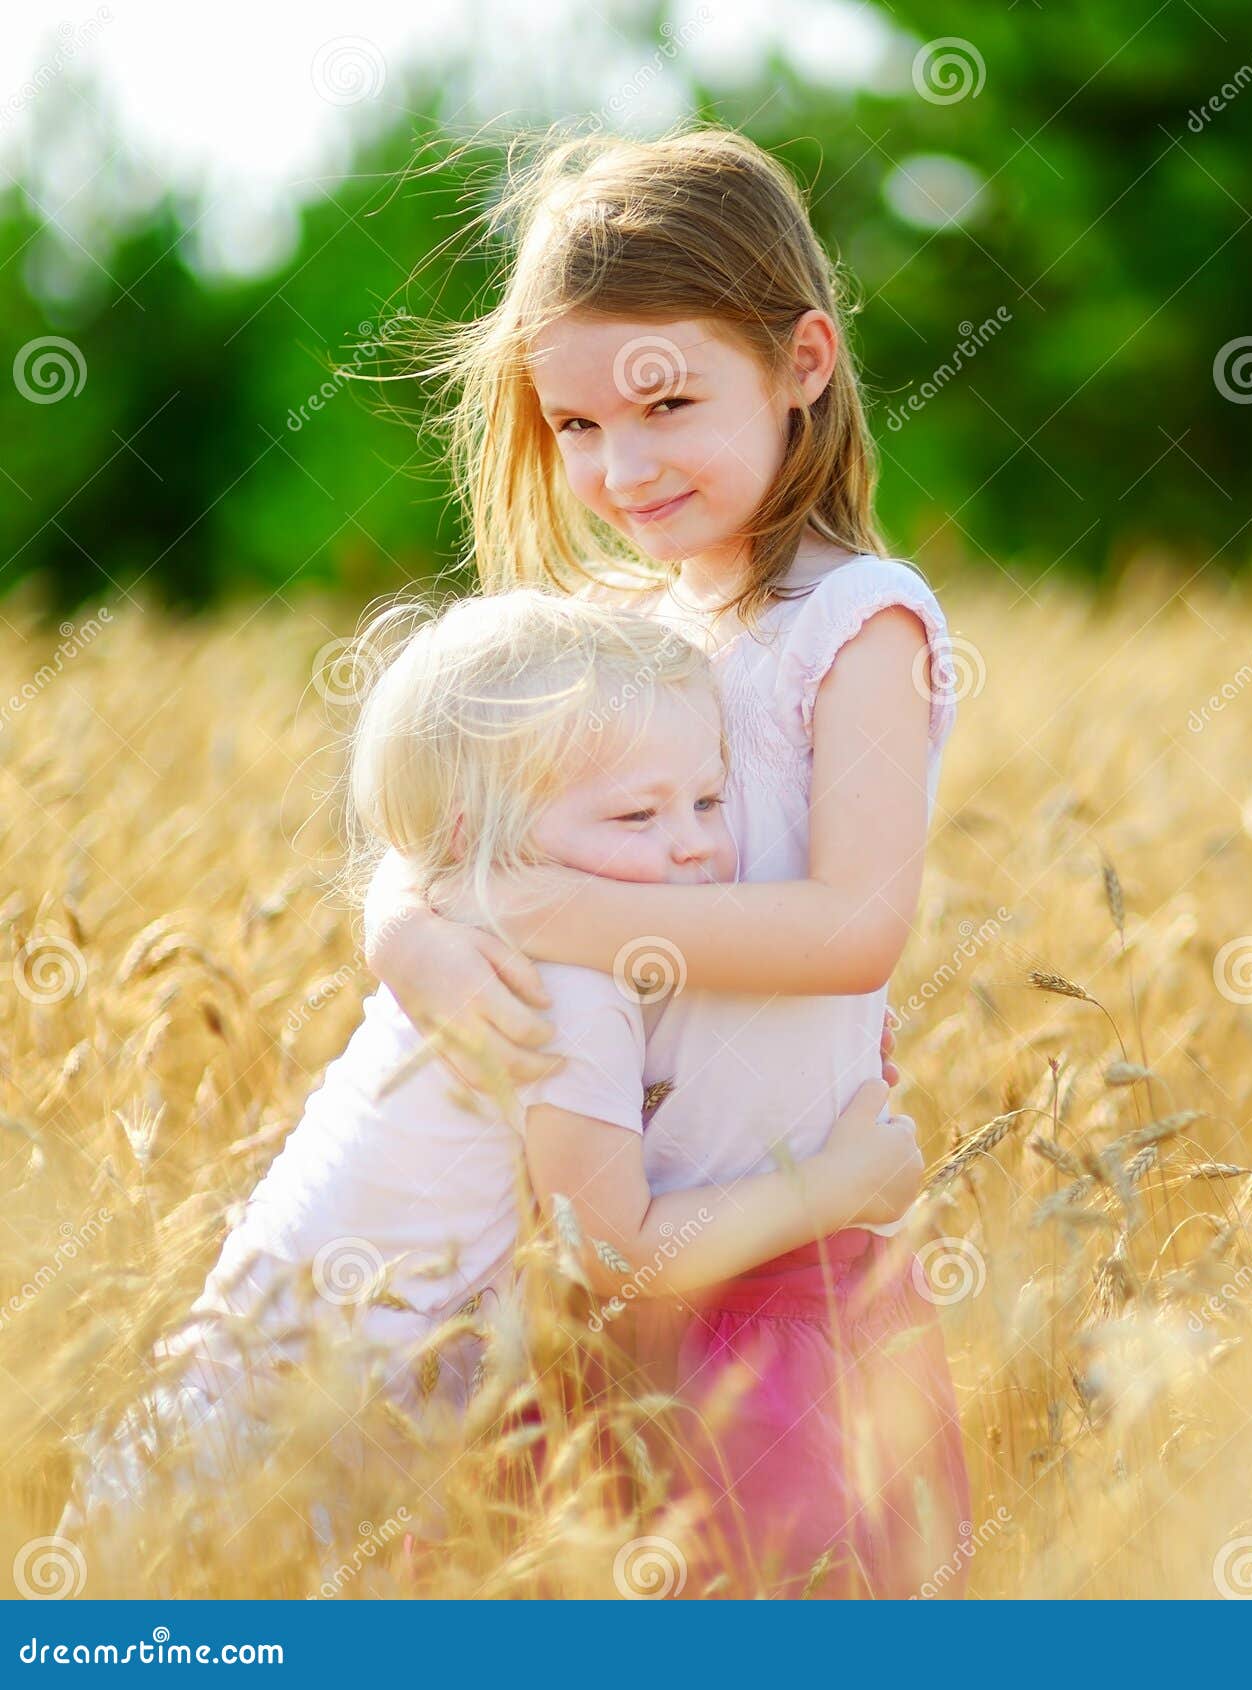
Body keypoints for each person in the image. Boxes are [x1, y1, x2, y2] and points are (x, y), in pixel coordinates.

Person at [363, 122, 973, 1597]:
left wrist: (555, 911)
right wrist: (415, 936)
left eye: (666, 402)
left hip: (777, 1252)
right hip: (581, 1256)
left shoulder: (860, 623)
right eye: (573, 426)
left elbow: (853, 928)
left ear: (804, 361)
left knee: (777, 1584)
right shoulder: (614, 639)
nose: (618, 465)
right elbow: (436, 830)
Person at [57, 589, 921, 1594]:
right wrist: (847, 1183)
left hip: (274, 1416)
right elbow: (619, 1250)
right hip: (277, 1459)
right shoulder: (562, 983)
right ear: (481, 834)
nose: (694, 843)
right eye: (639, 813)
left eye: (709, 799)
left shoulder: (482, 917)